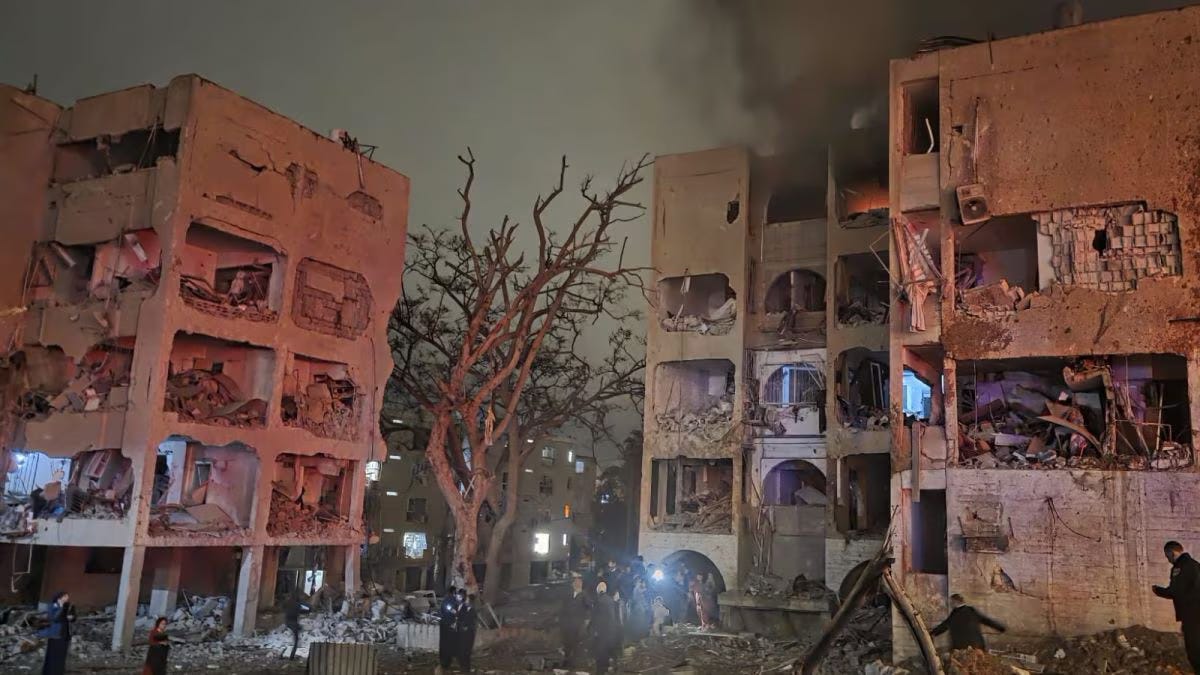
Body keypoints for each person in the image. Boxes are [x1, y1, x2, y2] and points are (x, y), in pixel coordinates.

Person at [1153, 540, 1200, 672]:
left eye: (1167, 556)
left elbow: (1175, 591)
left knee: (1194, 648)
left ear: (1172, 553)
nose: (1168, 560)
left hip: (1192, 614)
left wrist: (1157, 590)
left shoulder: (1179, 567)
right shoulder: (1195, 564)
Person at [930, 594, 1006, 652]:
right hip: (977, 647)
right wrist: (1000, 628)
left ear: (955, 602)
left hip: (961, 649)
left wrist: (932, 633)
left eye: (951, 602)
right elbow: (986, 620)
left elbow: (944, 625)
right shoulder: (971, 611)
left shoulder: (954, 614)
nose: (950, 604)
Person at [38, 591, 73, 675]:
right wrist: (61, 608)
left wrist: (71, 617)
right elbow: (54, 618)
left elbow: (72, 617)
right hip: (55, 634)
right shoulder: (53, 606)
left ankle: (59, 671)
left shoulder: (67, 607)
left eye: (67, 597)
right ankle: (50, 672)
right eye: (65, 596)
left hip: (64, 634)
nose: (67, 598)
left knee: (61, 655)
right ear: (59, 597)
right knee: (53, 655)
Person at [590, 582, 621, 675]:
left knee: (601, 654)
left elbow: (595, 618)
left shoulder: (598, 601)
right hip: (611, 632)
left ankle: (601, 671)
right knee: (610, 652)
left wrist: (594, 631)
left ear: (598, 590)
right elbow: (615, 617)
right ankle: (611, 669)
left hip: (601, 632)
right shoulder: (611, 601)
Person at [560, 576, 591, 668]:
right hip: (568, 623)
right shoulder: (569, 595)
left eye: (578, 582)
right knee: (568, 642)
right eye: (575, 582)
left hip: (579, 623)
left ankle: (576, 663)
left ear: (581, 584)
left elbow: (589, 608)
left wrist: (586, 620)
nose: (576, 584)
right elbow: (564, 607)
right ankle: (567, 661)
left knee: (577, 643)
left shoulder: (585, 595)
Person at [454, 590, 478, 672]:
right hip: (462, 634)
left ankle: (466, 669)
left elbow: (471, 623)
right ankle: (463, 667)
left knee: (466, 653)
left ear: (471, 602)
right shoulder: (464, 609)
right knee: (460, 652)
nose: (465, 601)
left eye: (467, 600)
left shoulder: (472, 611)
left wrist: (466, 627)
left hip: (468, 635)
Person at [437, 586, 460, 672]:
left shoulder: (446, 600)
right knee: (449, 642)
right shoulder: (451, 600)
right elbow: (453, 611)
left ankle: (444, 660)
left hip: (444, 624)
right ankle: (447, 661)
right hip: (449, 624)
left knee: (443, 642)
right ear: (453, 592)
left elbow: (443, 611)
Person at [283, 592, 310, 660]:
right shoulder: (297, 605)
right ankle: (291, 656)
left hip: (288, 623)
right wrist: (309, 609)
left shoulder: (287, 604)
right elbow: (304, 611)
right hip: (294, 624)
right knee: (296, 641)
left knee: (293, 640)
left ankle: (286, 654)